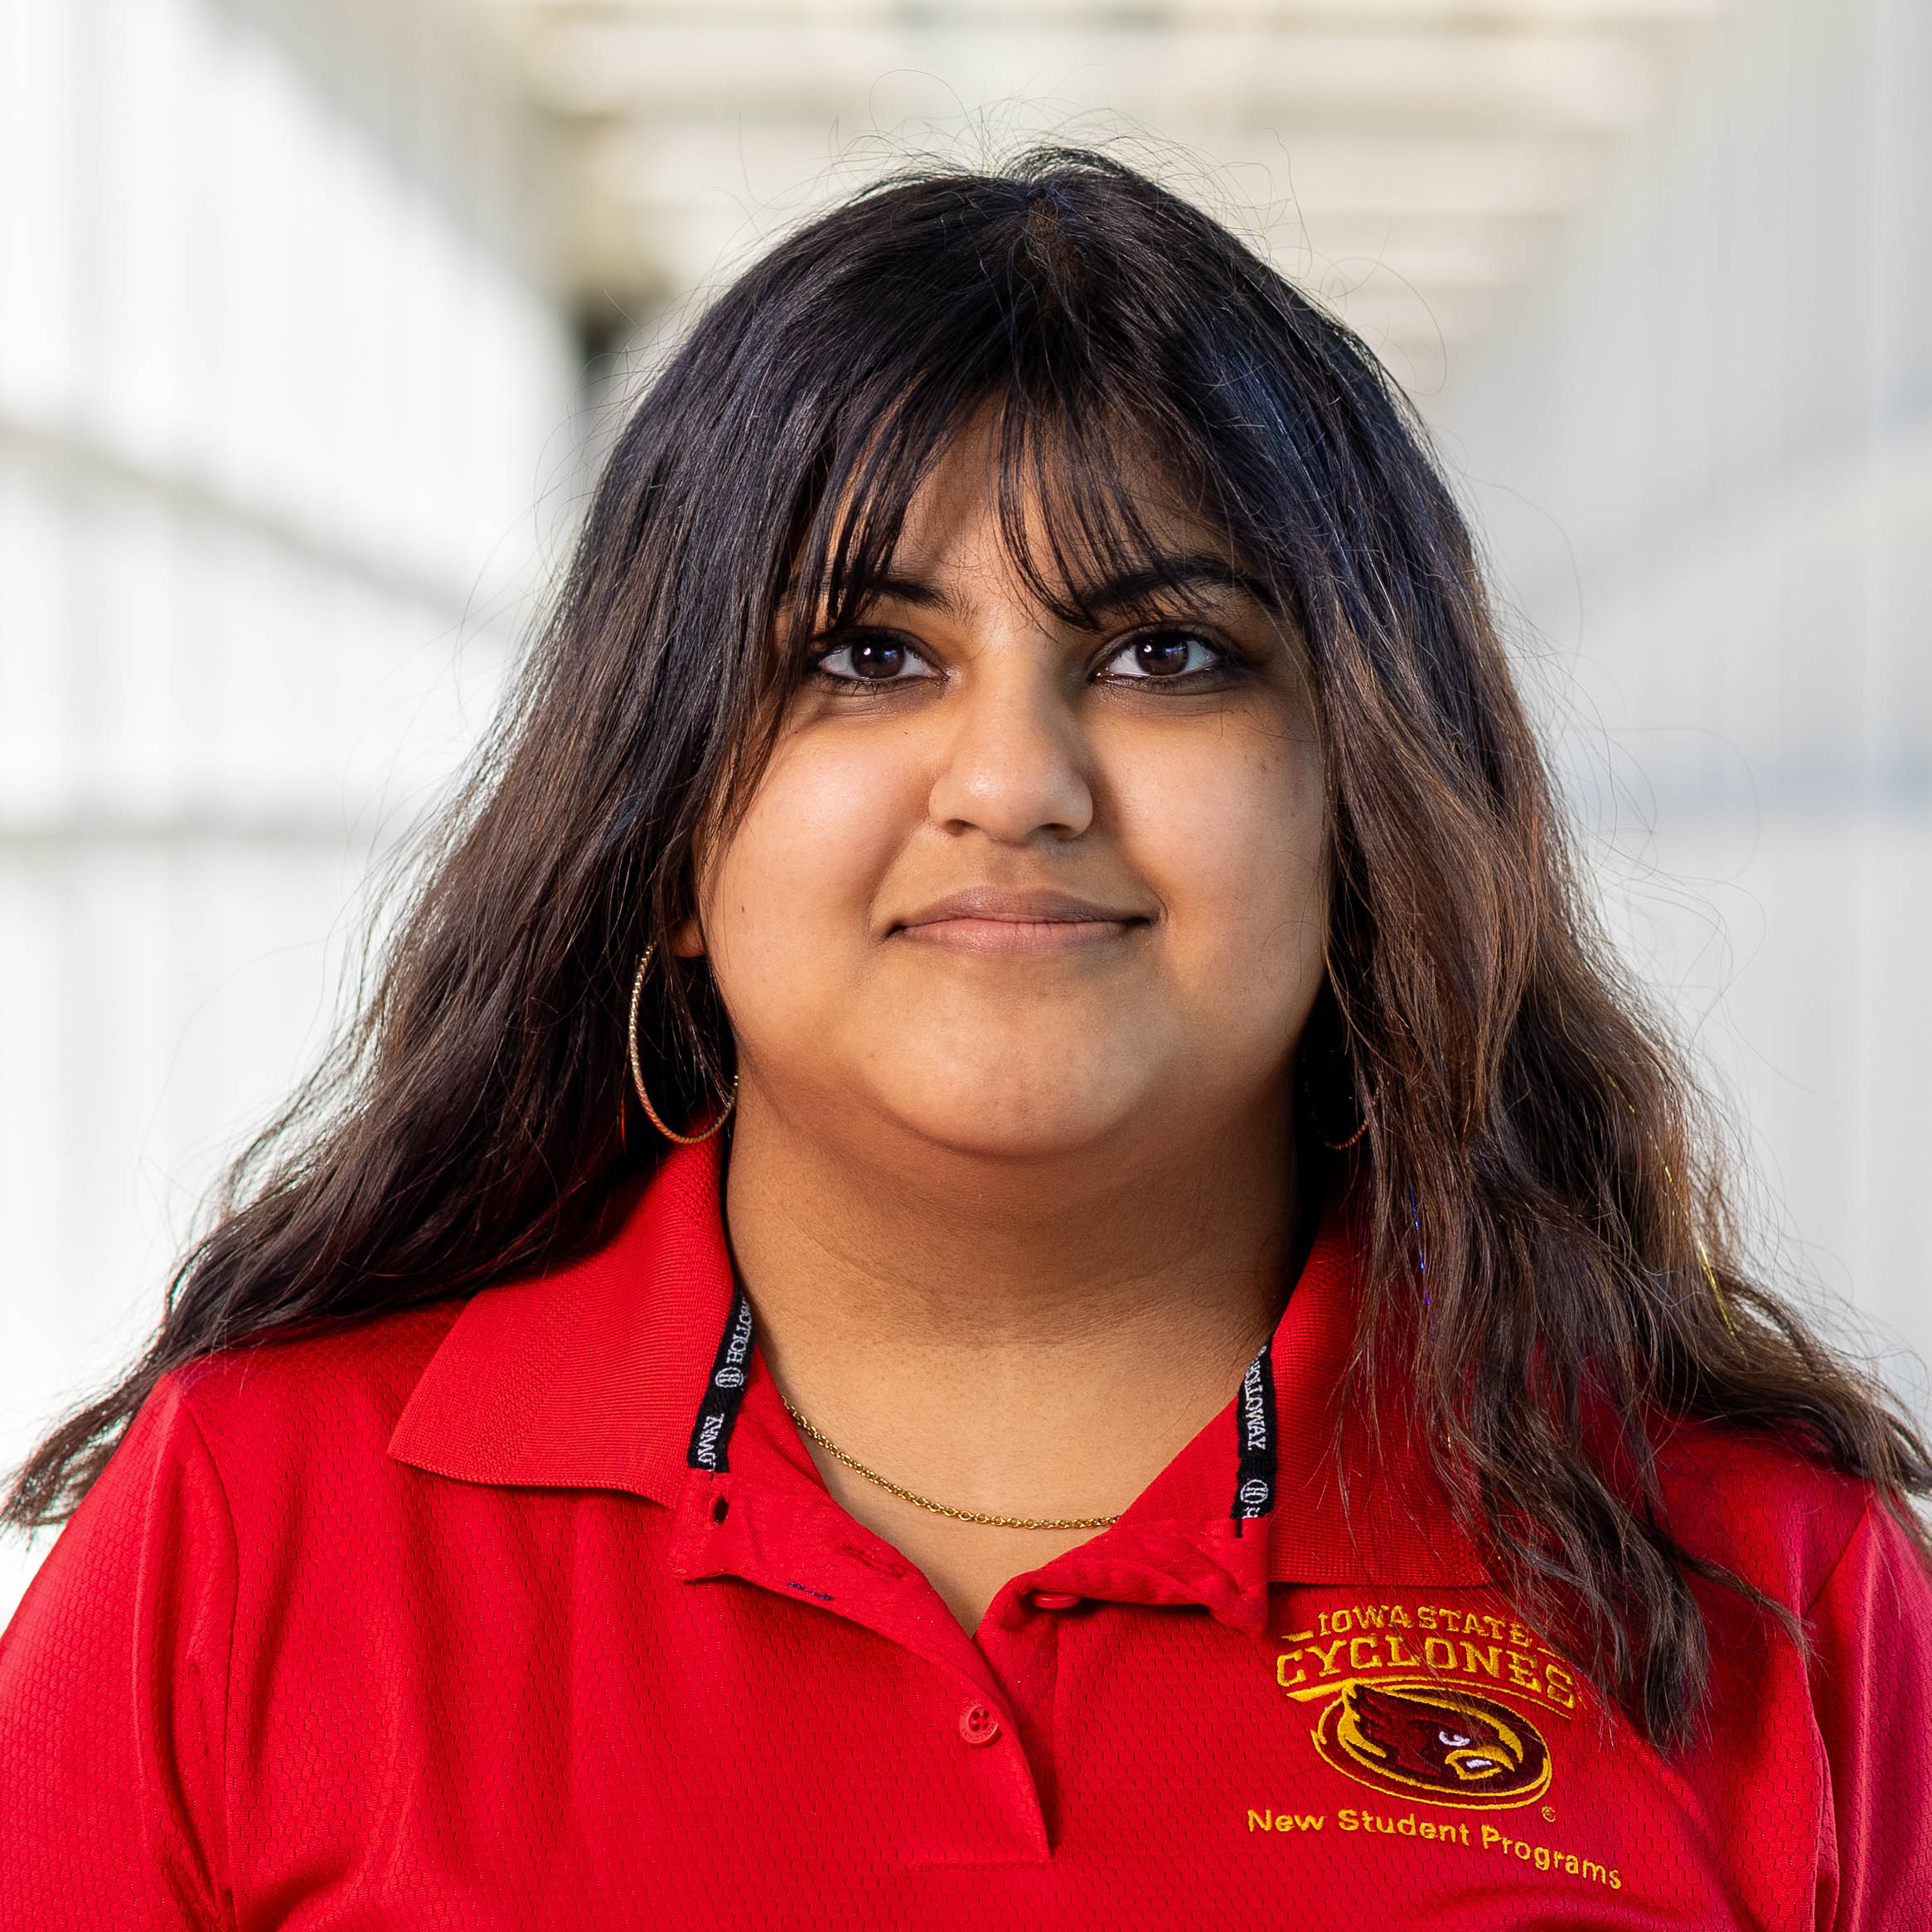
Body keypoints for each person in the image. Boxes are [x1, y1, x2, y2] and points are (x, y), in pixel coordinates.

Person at [2, 150, 1927, 1929]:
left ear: (1371, 810)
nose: (1014, 781)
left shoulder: (1764, 1583)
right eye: (865, 652)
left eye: (1164, 652)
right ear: (664, 826)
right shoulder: (261, 1519)